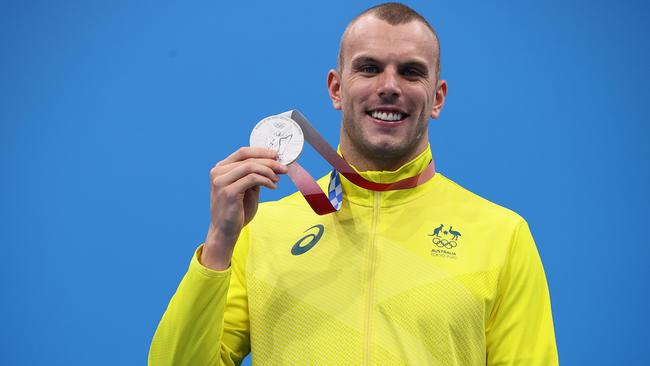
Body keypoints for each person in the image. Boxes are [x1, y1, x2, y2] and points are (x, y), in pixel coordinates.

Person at [149, 3, 559, 365]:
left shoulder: (502, 236)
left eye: (411, 72)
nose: (389, 86)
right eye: (369, 68)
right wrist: (220, 243)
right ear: (336, 88)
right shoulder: (259, 234)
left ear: (437, 98)